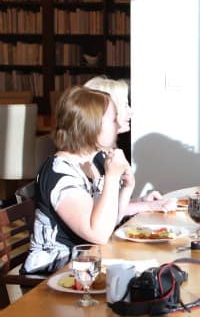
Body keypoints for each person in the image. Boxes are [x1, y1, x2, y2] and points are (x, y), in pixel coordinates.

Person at [22, 86, 135, 274]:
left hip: (83, 263)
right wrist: (112, 178)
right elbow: (98, 234)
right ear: (90, 126)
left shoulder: (94, 161)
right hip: (53, 275)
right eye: (113, 119)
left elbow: (108, 224)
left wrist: (127, 188)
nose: (118, 125)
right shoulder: (59, 173)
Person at [84, 76, 176, 214]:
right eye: (125, 105)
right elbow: (98, 215)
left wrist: (141, 201)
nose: (131, 112)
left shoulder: (103, 153)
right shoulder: (85, 161)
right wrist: (150, 206)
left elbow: (111, 206)